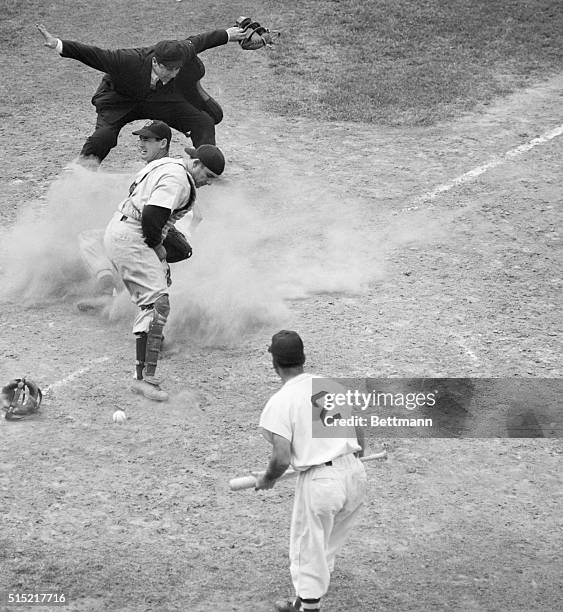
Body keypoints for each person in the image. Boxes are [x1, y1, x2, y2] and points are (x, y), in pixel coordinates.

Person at [103, 119, 223, 401]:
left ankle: (151, 348)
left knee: (157, 293)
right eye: (209, 176)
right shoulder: (178, 179)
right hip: (131, 236)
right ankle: (143, 379)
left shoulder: (169, 167)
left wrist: (162, 258)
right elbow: (152, 219)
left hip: (122, 231)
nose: (208, 183)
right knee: (157, 301)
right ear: (197, 165)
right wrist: (159, 251)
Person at [255, 331, 368, 612]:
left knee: (307, 549)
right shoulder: (331, 387)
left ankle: (309, 607)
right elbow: (360, 435)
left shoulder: (280, 402)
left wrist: (267, 480)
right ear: (303, 358)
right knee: (325, 545)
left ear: (275, 364)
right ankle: (303, 600)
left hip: (321, 483)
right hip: (355, 475)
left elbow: (281, 458)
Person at [36, 23, 246, 164]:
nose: (171, 74)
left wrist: (229, 34)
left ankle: (206, 167)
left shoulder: (182, 51)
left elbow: (202, 40)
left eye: (176, 69)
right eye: (166, 69)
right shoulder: (128, 60)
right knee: (103, 137)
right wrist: (58, 44)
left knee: (203, 122)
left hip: (161, 100)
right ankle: (83, 172)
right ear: (155, 61)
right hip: (121, 101)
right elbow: (94, 54)